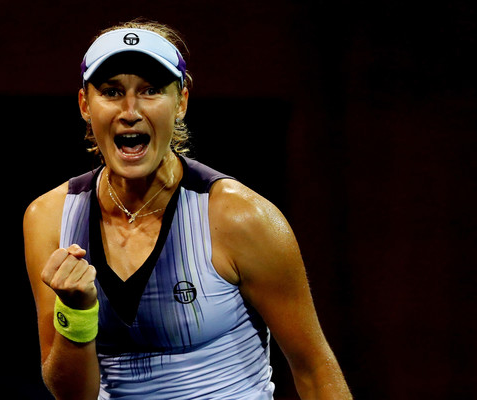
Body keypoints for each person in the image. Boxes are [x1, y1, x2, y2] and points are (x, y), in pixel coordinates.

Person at [24, 19, 352, 400]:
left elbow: (314, 370)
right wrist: (77, 313)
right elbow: (71, 394)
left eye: (151, 91)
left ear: (181, 102)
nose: (130, 111)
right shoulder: (48, 218)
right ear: (85, 104)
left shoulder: (239, 217)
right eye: (112, 92)